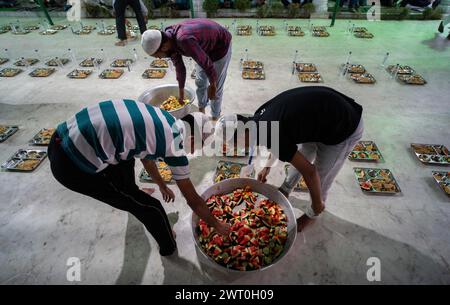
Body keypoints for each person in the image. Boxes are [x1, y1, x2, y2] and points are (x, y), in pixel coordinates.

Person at [47, 100, 229, 256]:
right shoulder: (175, 145)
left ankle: (131, 190)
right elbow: (193, 200)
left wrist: (162, 185)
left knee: (127, 159)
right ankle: (168, 246)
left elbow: (146, 156)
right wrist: (216, 224)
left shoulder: (164, 117)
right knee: (152, 208)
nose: (193, 152)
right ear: (191, 139)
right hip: (72, 166)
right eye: (196, 147)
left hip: (62, 136)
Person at [214, 86, 364, 232]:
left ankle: (313, 213)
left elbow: (310, 172)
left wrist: (317, 204)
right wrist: (267, 167)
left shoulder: (268, 134)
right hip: (321, 117)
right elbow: (278, 138)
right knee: (303, 154)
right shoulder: (258, 117)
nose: (240, 148)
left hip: (343, 126)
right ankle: (286, 189)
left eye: (235, 144)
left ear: (241, 135)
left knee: (322, 177)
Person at [141, 19, 232, 120]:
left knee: (216, 89)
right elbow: (180, 69)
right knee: (200, 81)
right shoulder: (169, 41)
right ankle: (201, 111)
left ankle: (215, 117)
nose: (159, 58)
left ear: (164, 47)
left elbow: (206, 63)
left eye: (157, 55)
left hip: (220, 44)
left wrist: (213, 84)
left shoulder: (183, 39)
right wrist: (181, 95)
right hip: (203, 47)